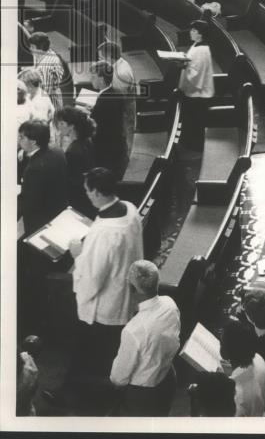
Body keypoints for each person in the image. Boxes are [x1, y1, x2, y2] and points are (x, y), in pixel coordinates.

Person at [69, 168, 144, 380]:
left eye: (88, 191)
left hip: (105, 303)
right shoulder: (129, 209)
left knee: (94, 354)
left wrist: (78, 254)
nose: (86, 194)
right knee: (108, 351)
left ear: (98, 193)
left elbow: (93, 278)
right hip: (124, 291)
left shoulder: (106, 232)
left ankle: (86, 395)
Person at [109, 260, 180, 415]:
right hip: (168, 379)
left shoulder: (133, 330)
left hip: (143, 396)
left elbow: (118, 379)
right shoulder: (171, 304)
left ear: (132, 289)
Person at [17, 120, 67, 234]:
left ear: (34, 142)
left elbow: (29, 201)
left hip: (41, 218)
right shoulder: (56, 150)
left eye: (21, 137)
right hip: (58, 207)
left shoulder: (34, 169)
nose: (18, 140)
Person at [90, 60, 134, 180]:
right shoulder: (116, 92)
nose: (91, 80)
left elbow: (94, 126)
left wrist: (88, 115)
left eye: (93, 77)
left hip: (106, 150)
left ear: (102, 79)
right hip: (117, 145)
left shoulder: (103, 101)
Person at [177, 20, 215, 152]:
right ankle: (190, 145)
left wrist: (183, 65)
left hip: (198, 94)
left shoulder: (202, 50)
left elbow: (196, 74)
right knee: (192, 120)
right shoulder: (197, 45)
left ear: (200, 34)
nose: (190, 32)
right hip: (195, 92)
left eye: (194, 30)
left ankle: (194, 148)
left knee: (195, 122)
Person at [220, 318, 265, 417]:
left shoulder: (237, 396)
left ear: (229, 350)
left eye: (222, 343)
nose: (220, 345)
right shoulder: (259, 359)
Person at [53, 106, 96, 216]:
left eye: (61, 123)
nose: (58, 126)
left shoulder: (72, 151)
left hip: (78, 202)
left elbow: (71, 182)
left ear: (71, 126)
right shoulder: (86, 140)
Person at [27, 32, 65, 108]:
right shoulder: (48, 53)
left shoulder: (46, 65)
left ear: (36, 47)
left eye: (31, 46)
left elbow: (45, 93)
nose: (30, 49)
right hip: (51, 99)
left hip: (49, 104)